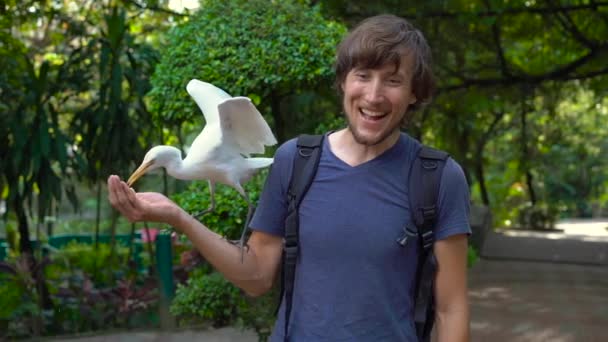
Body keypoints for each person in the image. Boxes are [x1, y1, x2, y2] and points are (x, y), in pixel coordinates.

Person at [107, 14, 470, 342]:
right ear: (343, 82)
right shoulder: (296, 161)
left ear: (414, 94)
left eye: (393, 80)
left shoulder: (437, 178)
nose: (374, 96)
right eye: (363, 76)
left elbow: (450, 309)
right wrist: (178, 217)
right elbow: (257, 277)